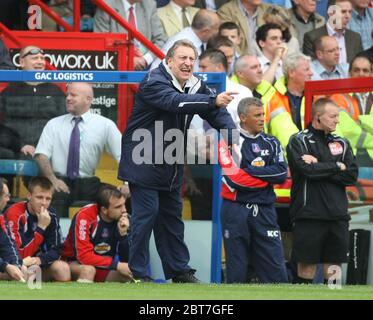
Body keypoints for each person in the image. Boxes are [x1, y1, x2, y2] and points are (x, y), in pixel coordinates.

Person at [118, 39, 238, 282]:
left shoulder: (195, 84)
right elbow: (175, 103)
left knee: (172, 218)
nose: (188, 63)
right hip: (143, 159)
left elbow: (216, 112)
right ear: (169, 60)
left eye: (192, 59)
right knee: (147, 214)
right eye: (182, 58)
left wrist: (230, 136)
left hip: (171, 161)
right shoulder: (154, 81)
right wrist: (211, 101)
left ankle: (180, 272)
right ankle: (138, 272)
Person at [286, 98, 358, 284]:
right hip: (309, 214)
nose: (337, 120)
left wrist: (320, 165)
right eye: (333, 116)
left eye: (338, 116)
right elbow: (307, 171)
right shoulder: (299, 140)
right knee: (307, 266)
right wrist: (337, 166)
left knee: (334, 267)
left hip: (337, 215)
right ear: (318, 117)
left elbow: (351, 176)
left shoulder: (342, 143)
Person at [220, 97, 288, 283]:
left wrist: (250, 171)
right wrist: (266, 178)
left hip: (265, 209)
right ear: (243, 117)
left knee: (275, 266)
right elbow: (234, 180)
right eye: (257, 115)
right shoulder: (228, 141)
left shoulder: (272, 142)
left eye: (263, 114)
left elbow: (282, 173)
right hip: (235, 208)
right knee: (237, 267)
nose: (262, 119)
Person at [34, 82, 125, 218]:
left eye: (73, 95)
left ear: (88, 99)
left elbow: (124, 155)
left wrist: (127, 184)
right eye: (68, 94)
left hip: (88, 182)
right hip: (59, 181)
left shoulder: (105, 125)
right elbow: (41, 155)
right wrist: (53, 180)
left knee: (119, 199)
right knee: (52, 199)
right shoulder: (54, 124)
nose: (68, 98)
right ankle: (56, 235)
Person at [0, 45, 66, 158]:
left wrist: (46, 147)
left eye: (42, 58)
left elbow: (64, 124)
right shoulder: (9, 91)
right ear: (22, 62)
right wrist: (20, 146)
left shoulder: (56, 91)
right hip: (14, 149)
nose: (40, 61)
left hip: (47, 150)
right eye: (34, 58)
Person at [4, 177, 71, 282]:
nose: (44, 203)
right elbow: (17, 254)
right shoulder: (15, 213)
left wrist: (41, 259)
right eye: (39, 197)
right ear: (29, 196)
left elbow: (56, 250)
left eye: (48, 198)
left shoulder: (52, 215)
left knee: (63, 269)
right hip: (15, 264)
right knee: (24, 272)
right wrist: (41, 228)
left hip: (38, 264)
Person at [62, 184, 133, 282]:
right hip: (74, 263)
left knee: (129, 276)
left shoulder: (123, 218)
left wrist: (123, 236)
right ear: (104, 210)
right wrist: (116, 265)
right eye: (118, 207)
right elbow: (83, 257)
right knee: (89, 270)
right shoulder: (85, 217)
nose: (124, 210)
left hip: (104, 265)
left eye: (124, 204)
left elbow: (126, 262)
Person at [94, 0, 167, 70]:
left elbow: (161, 39)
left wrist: (145, 59)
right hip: (116, 68)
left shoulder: (149, 4)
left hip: (145, 66)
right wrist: (127, 60)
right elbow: (101, 43)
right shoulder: (106, 5)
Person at [151, 9, 221, 71]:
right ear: (205, 31)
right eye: (217, 28)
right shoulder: (181, 43)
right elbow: (156, 71)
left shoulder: (201, 41)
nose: (218, 32)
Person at [0, 178, 25, 282]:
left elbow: (8, 244)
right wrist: (5, 266)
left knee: (22, 270)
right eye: (6, 196)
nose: (8, 200)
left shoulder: (1, 218)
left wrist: (16, 264)